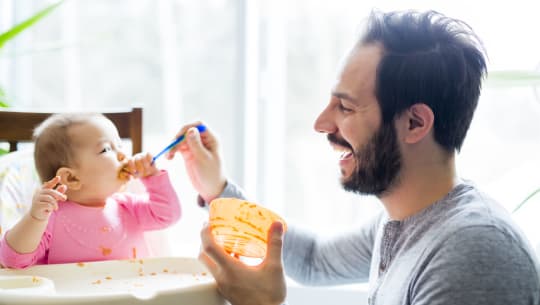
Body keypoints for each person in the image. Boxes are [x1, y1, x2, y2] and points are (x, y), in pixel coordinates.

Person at [169, 10, 540, 305]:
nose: (320, 123)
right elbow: (314, 260)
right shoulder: (405, 220)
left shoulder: (474, 252)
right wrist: (218, 191)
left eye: (344, 107)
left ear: (415, 123)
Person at [0, 113, 181, 269]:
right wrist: (35, 219)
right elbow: (13, 260)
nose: (123, 155)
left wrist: (153, 178)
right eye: (106, 149)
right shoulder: (50, 219)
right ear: (72, 178)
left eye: (120, 145)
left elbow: (168, 215)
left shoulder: (128, 206)